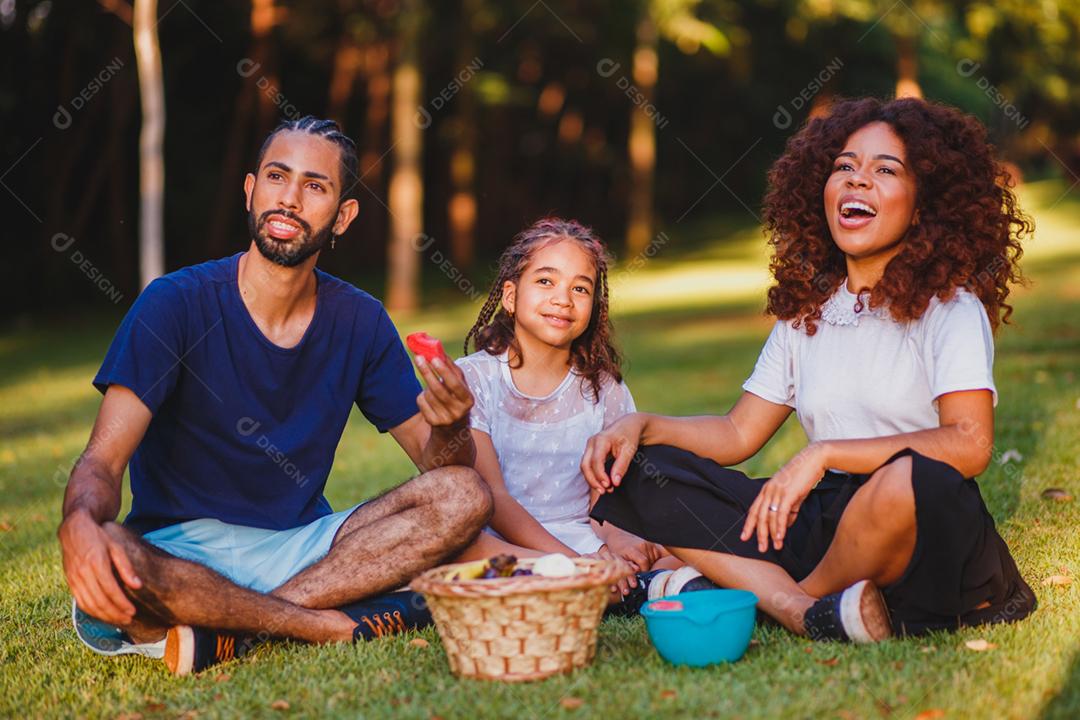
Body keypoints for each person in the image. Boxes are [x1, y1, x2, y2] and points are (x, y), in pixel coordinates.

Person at [585, 97, 1038, 641]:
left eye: (885, 170)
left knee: (906, 481)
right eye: (844, 167)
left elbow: (970, 445)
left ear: (922, 207)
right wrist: (644, 427)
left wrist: (824, 453)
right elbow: (737, 433)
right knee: (645, 470)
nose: (857, 181)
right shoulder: (809, 314)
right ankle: (805, 612)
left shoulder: (950, 307)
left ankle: (785, 596)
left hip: (916, 518)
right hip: (820, 520)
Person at [58, 116, 494, 676]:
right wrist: (77, 523)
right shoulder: (173, 303)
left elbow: (442, 471)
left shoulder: (360, 319)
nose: (289, 199)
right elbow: (102, 461)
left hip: (304, 549)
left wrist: (454, 426)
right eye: (276, 177)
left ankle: (232, 631)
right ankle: (315, 619)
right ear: (250, 189)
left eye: (315, 186)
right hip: (180, 553)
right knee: (117, 552)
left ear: (343, 216)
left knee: (464, 495)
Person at [456, 217, 714, 608]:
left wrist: (617, 539)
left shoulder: (603, 390)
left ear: (593, 307)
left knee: (684, 541)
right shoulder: (474, 379)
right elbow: (494, 496)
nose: (563, 298)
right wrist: (575, 564)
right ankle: (632, 586)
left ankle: (641, 580)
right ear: (510, 296)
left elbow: (604, 497)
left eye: (580, 288)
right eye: (546, 281)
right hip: (504, 541)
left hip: (580, 534)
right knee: (462, 550)